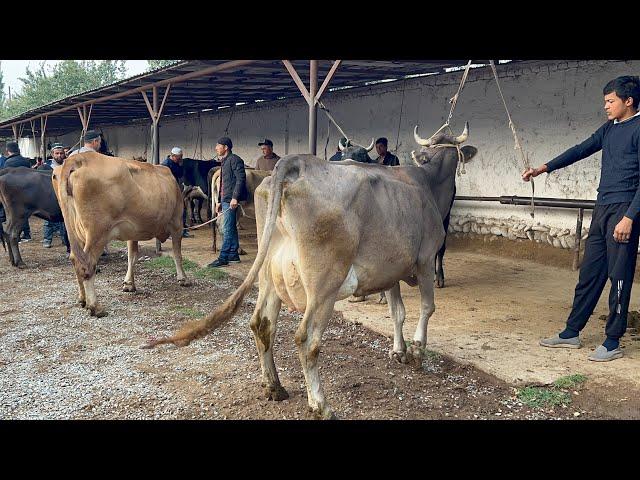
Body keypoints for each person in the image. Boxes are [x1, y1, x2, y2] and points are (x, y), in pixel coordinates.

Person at [524, 75, 640, 362]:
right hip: (602, 208)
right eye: (605, 102)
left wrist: (630, 217)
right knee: (589, 274)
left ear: (629, 101)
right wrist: (544, 168)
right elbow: (580, 149)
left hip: (624, 210)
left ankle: (612, 340)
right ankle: (571, 332)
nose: (606, 106)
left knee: (619, 277)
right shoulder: (609, 129)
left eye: (610, 101)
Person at [208, 136, 247, 268]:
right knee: (230, 228)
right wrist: (219, 201)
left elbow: (240, 179)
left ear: (226, 147)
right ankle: (233, 255)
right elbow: (224, 184)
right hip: (225, 200)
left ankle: (223, 257)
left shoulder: (235, 160)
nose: (216, 148)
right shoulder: (224, 161)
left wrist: (235, 197)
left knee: (227, 228)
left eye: (218, 146)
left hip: (231, 200)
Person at [1, 141, 32, 242]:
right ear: (18, 149)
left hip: (13, 190)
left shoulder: (7, 163)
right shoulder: (25, 161)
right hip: (27, 188)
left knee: (14, 213)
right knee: (26, 211)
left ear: (7, 150)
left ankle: (15, 234)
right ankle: (27, 233)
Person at [38, 143, 68, 248]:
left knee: (65, 220)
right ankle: (47, 239)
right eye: (57, 153)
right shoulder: (46, 166)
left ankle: (65, 240)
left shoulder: (67, 165)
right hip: (50, 196)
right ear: (52, 154)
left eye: (61, 153)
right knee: (48, 219)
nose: (59, 155)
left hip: (64, 195)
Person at [161, 147, 191, 238]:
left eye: (181, 156)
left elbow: (180, 174)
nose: (180, 159)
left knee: (181, 209)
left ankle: (182, 230)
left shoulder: (176, 163)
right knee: (169, 211)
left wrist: (180, 165)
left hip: (175, 189)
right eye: (179, 157)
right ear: (173, 156)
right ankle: (168, 231)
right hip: (167, 191)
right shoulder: (165, 165)